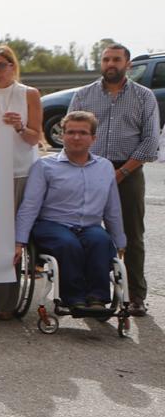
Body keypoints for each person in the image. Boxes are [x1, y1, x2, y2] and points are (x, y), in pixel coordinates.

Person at [68, 44, 159, 316]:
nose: (110, 64)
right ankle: (88, 293)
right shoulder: (84, 95)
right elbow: (70, 133)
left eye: (116, 60)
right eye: (106, 59)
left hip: (127, 172)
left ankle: (135, 296)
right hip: (88, 170)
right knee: (84, 232)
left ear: (127, 64)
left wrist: (120, 173)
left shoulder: (144, 97)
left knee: (130, 235)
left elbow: (150, 142)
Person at [14, 111, 126, 310]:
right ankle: (74, 299)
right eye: (71, 132)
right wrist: (19, 241)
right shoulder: (45, 166)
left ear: (93, 138)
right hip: (52, 225)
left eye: (83, 133)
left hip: (89, 225)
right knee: (68, 244)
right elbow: (30, 205)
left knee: (100, 242)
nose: (76, 137)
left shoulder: (105, 167)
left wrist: (119, 242)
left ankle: (97, 299)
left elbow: (112, 209)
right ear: (61, 135)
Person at [0, 46, 42, 320]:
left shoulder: (29, 94)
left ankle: (6, 300)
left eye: (1, 65)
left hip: (18, 170)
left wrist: (20, 127)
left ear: (13, 65)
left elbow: (35, 137)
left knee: (11, 237)